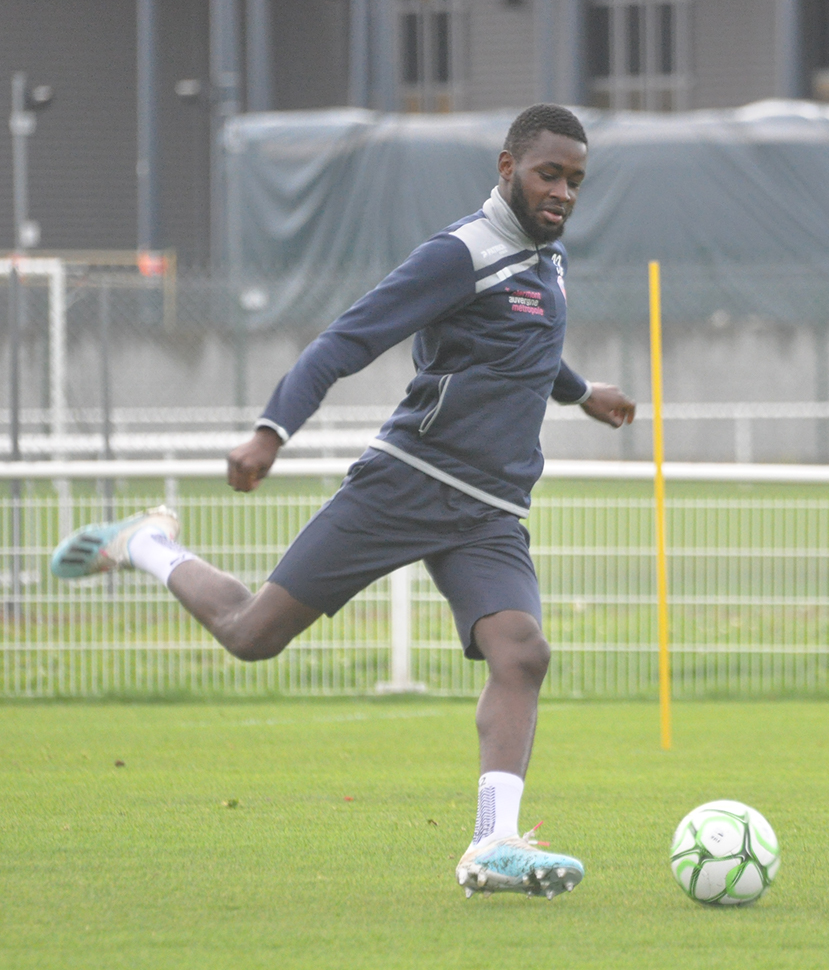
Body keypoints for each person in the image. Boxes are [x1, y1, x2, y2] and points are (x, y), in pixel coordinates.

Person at [50, 104, 635, 897]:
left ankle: (491, 843)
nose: (563, 191)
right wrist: (270, 432)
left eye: (575, 179)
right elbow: (346, 339)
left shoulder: (547, 261)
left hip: (489, 510)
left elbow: (528, 343)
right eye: (549, 174)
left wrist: (581, 391)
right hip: (409, 482)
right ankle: (149, 541)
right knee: (252, 635)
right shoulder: (461, 252)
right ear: (507, 168)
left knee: (523, 652)